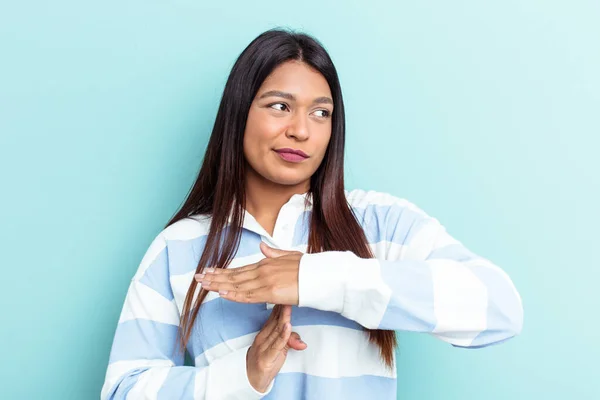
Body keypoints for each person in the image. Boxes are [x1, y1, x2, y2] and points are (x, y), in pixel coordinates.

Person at [101, 28, 523, 399]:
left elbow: (499, 308)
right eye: (279, 106)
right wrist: (243, 374)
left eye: (320, 113)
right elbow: (124, 388)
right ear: (238, 113)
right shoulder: (180, 247)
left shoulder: (377, 222)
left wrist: (319, 278)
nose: (301, 130)